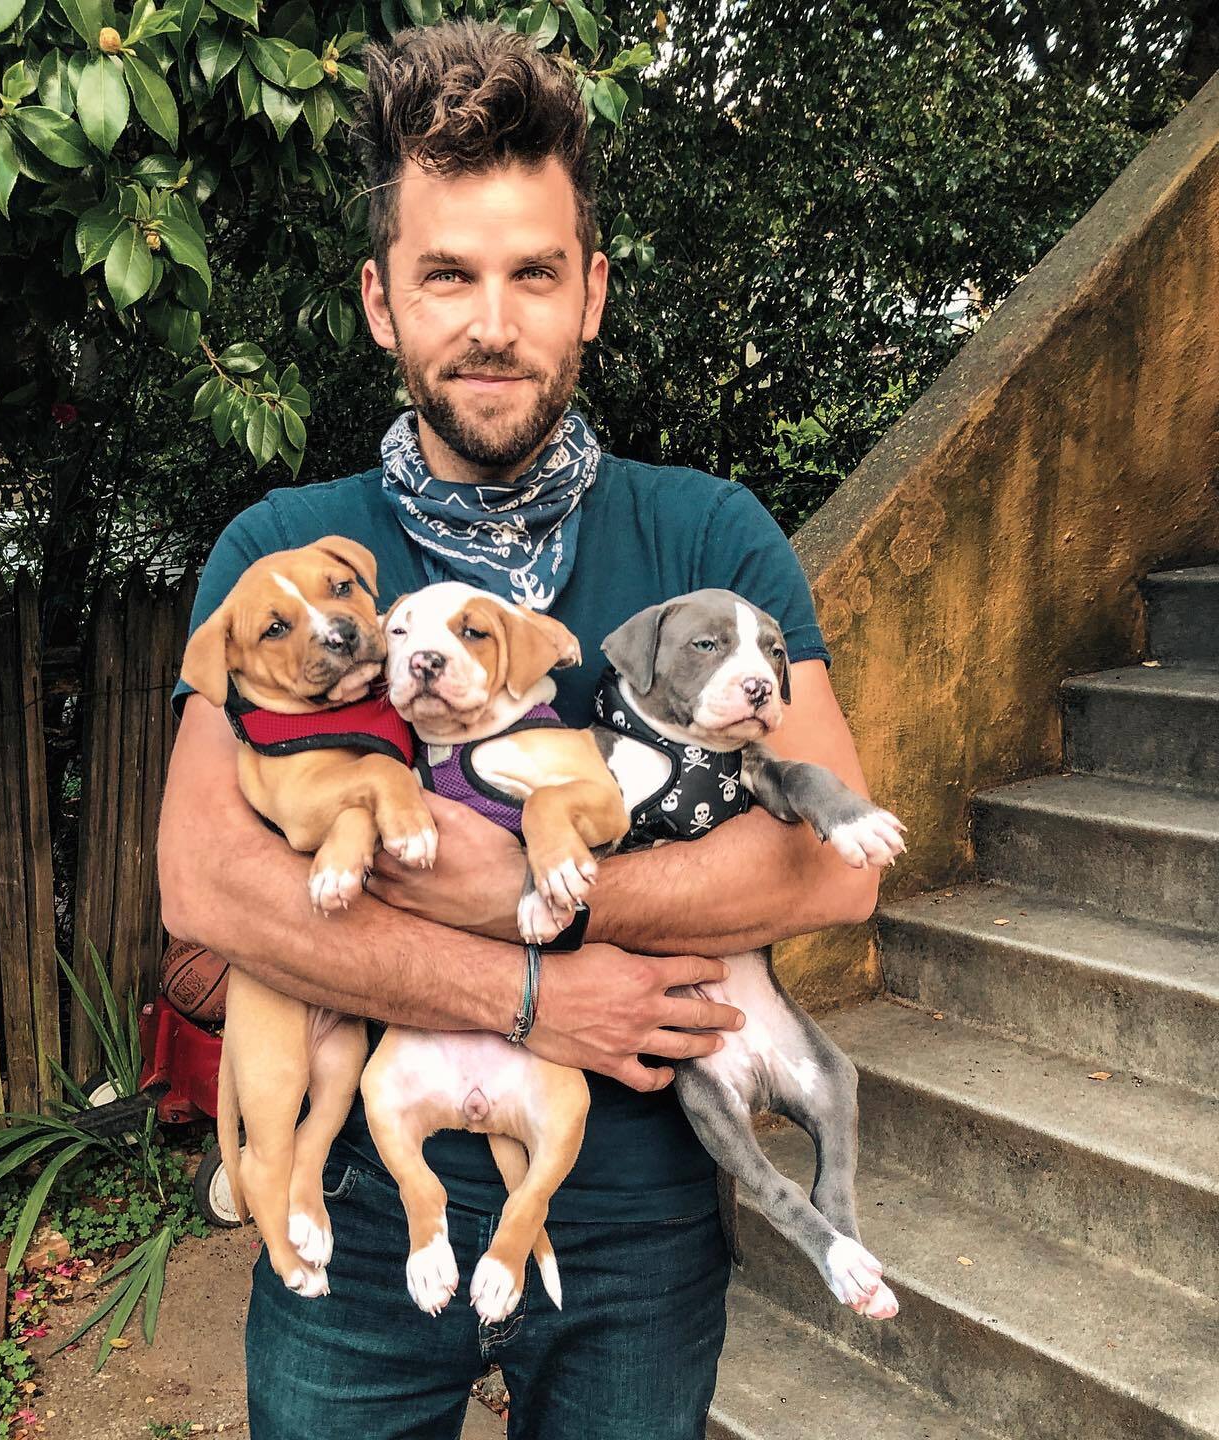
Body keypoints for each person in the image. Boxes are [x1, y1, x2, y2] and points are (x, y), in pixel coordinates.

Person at [157, 19, 880, 1440]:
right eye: (448, 275)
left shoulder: (711, 535)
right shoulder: (286, 554)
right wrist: (543, 996)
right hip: (363, 1209)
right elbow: (206, 882)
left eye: (533, 274)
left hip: (641, 1220)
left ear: (592, 292)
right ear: (381, 302)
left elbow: (836, 862)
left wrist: (560, 894)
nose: (492, 324)